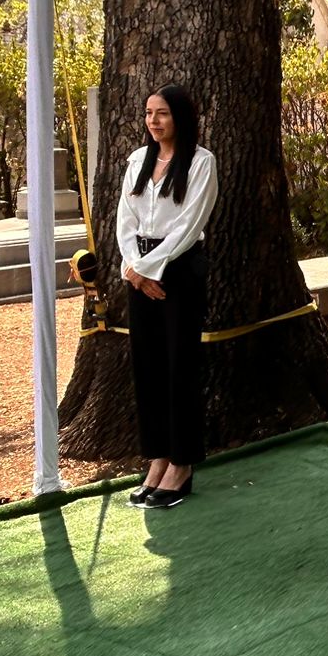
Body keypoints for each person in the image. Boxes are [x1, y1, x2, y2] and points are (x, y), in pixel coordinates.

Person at [117, 84, 219, 510]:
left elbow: (188, 224)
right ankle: (157, 457)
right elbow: (125, 216)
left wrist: (148, 268)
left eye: (162, 113)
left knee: (180, 367)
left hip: (177, 270)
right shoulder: (137, 161)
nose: (153, 122)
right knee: (148, 367)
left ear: (180, 117)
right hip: (139, 271)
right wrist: (133, 267)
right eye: (148, 113)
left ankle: (182, 464)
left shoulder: (200, 162)